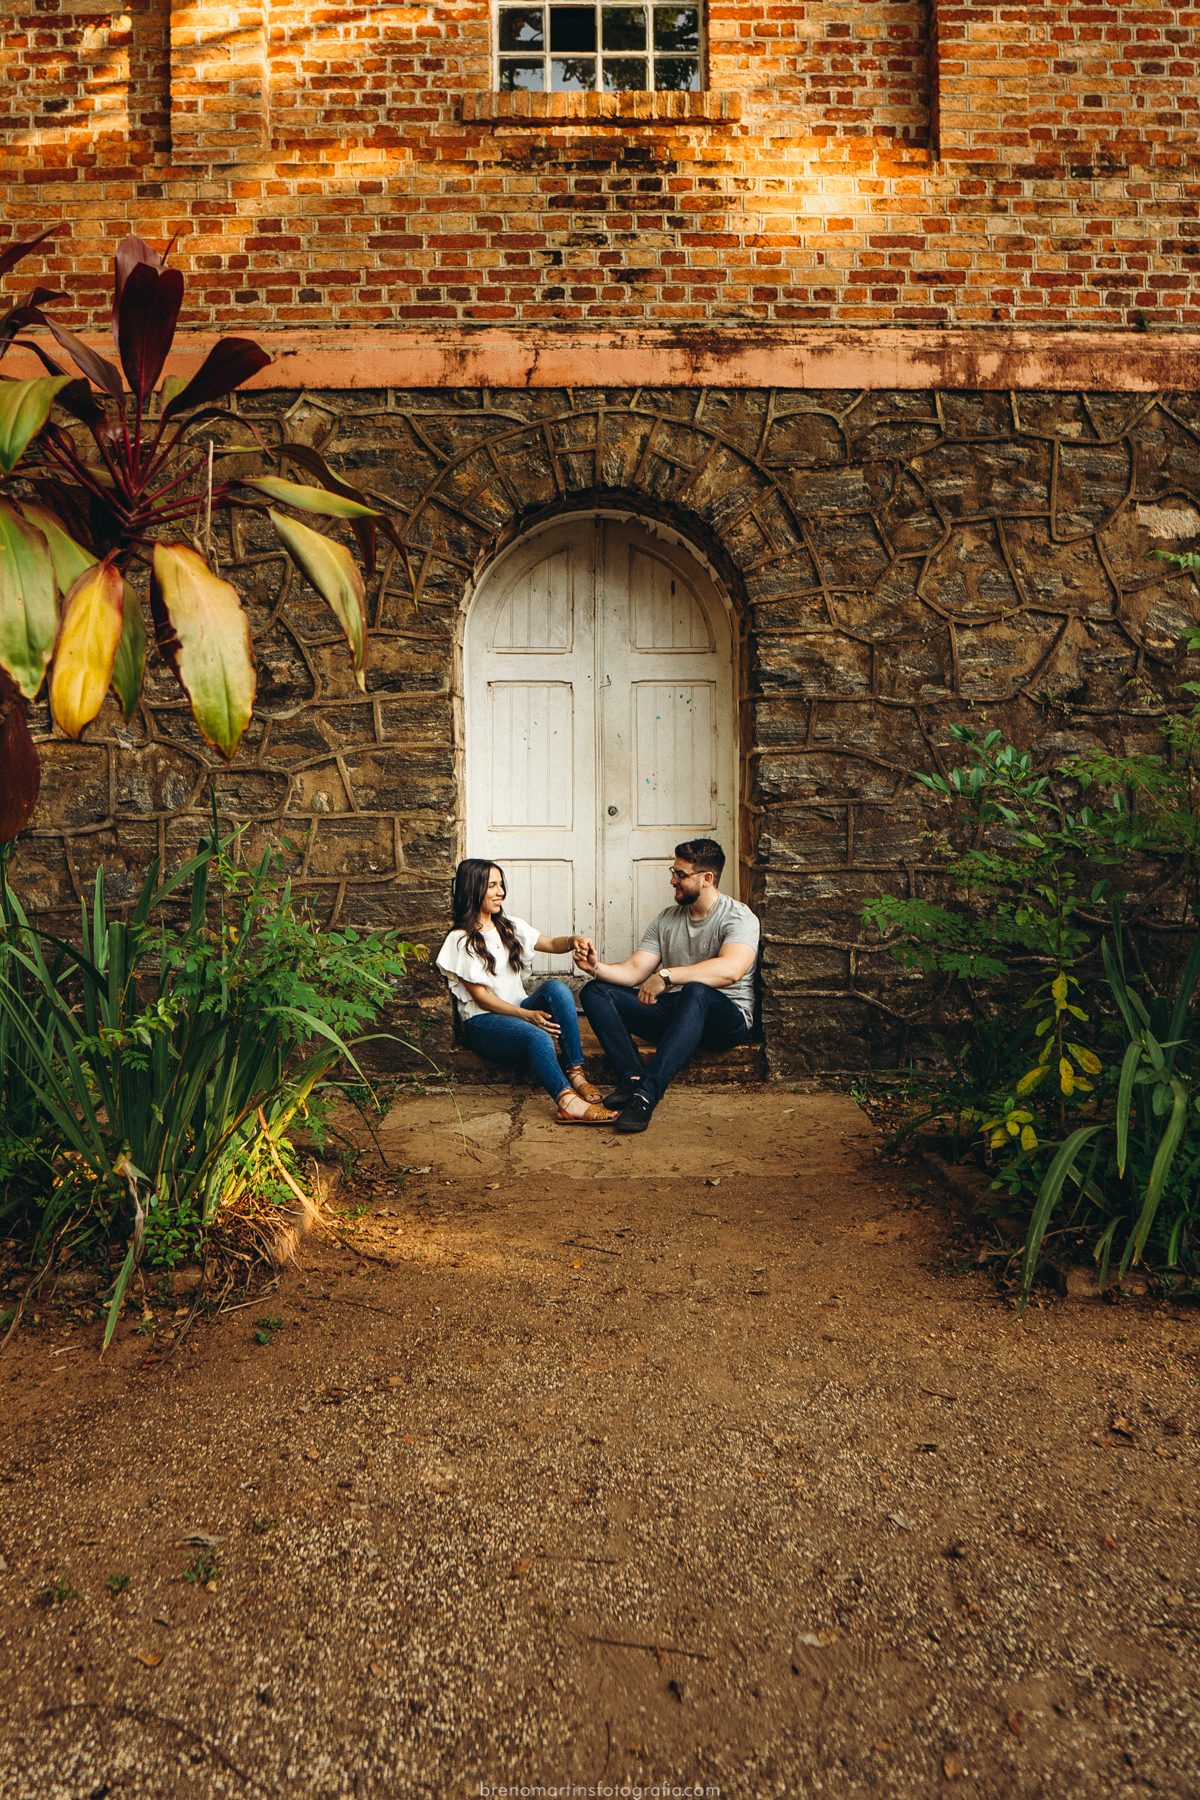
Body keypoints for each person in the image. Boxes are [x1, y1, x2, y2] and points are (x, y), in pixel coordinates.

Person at [576, 839, 759, 1135]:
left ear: (707, 878)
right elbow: (635, 971)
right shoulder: (667, 920)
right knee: (595, 991)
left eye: (681, 875)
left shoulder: (738, 917)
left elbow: (731, 970)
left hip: (725, 1021)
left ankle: (645, 1097)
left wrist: (667, 976)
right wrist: (595, 967)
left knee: (695, 991)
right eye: (672, 872)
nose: (673, 880)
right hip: (678, 1017)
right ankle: (632, 1078)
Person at [436, 860, 616, 1125]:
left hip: (518, 1009)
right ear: (473, 889)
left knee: (556, 988)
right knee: (538, 1038)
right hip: (483, 1021)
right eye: (492, 886)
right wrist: (526, 1015)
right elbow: (481, 998)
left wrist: (574, 940)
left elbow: (551, 943)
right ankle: (567, 1102)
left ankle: (576, 1073)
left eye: (501, 885)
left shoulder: (509, 926)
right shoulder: (461, 939)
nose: (501, 893)